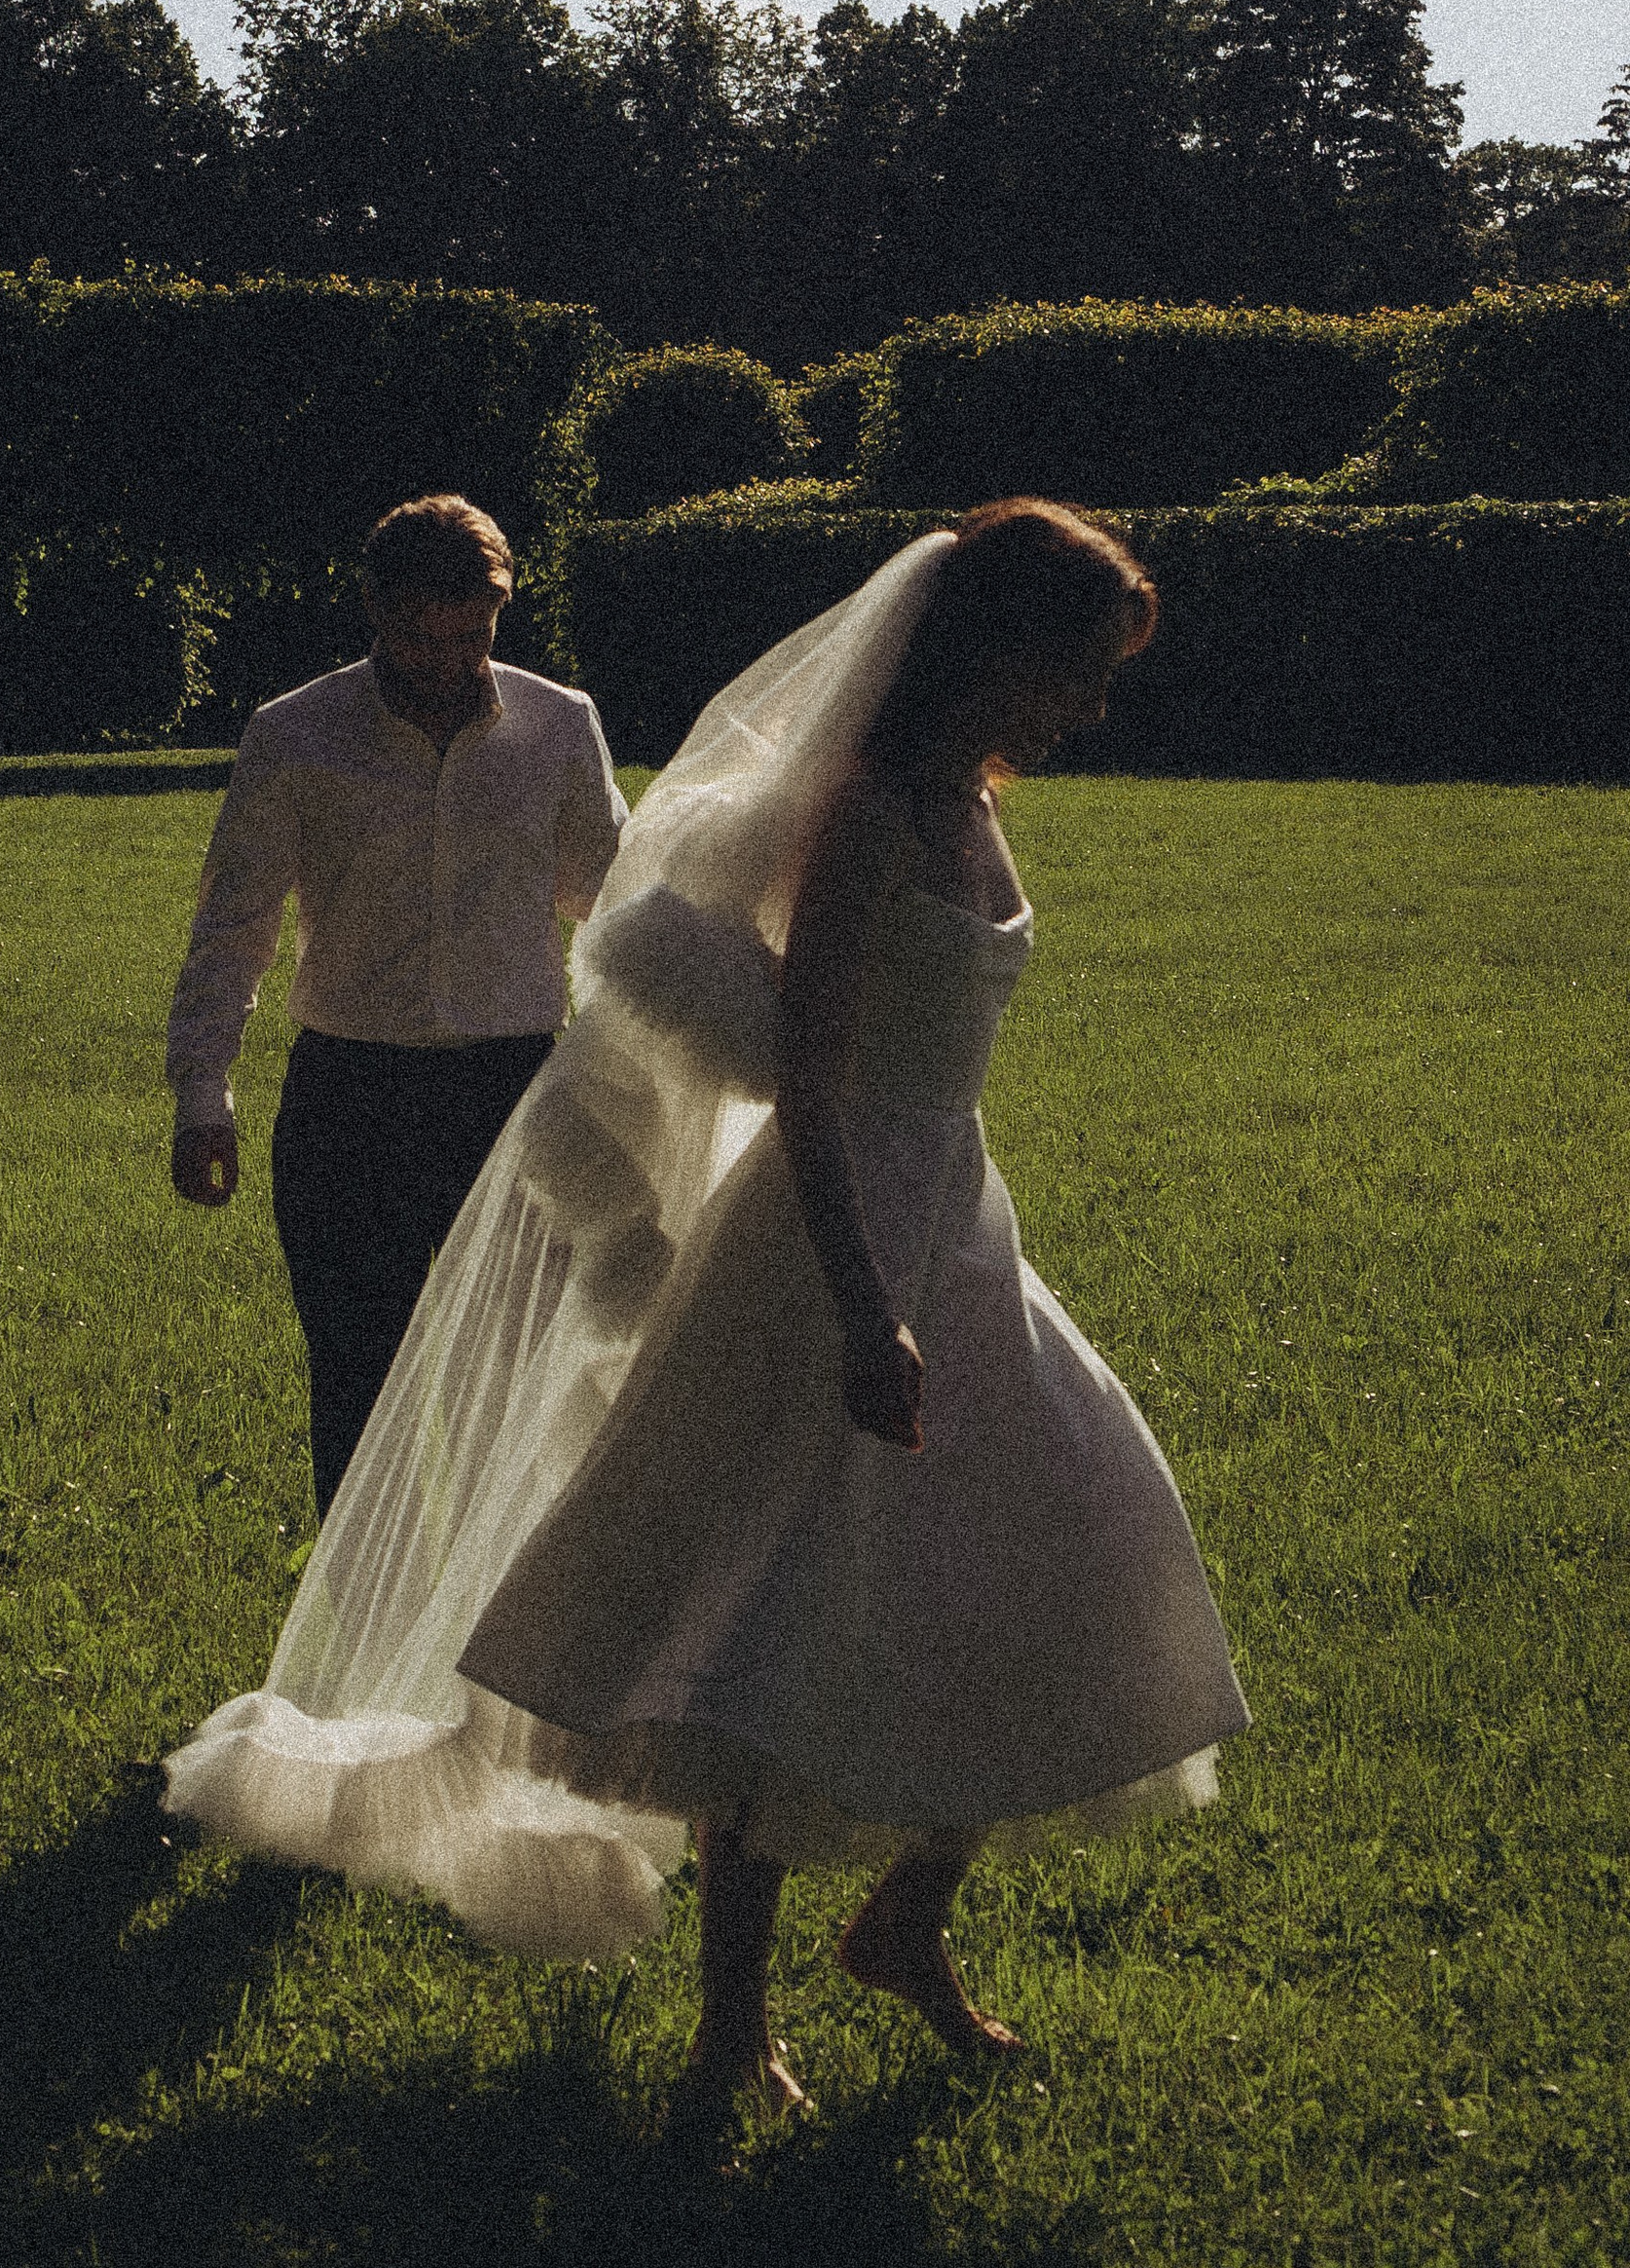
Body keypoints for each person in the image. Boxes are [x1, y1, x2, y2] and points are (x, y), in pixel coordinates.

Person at [164, 502, 1249, 2135]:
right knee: (770, 1615)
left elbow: (639, 897)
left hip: (957, 1216)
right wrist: (861, 1306)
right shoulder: (873, 819)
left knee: (1064, 1540)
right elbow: (807, 1074)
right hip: (837, 1242)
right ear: (990, 653)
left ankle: (904, 1919)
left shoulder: (964, 802)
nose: (1087, 709)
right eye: (1072, 674)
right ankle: (732, 2032)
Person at [167, 493, 628, 1512]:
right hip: (350, 1097)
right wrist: (204, 1092)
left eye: (475, 630)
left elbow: (608, 899)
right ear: (376, 613)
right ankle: (351, 1656)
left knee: (510, 1396)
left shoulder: (559, 724)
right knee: (358, 1394)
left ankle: (489, 1649)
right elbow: (234, 922)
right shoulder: (296, 735)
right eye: (424, 634)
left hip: (507, 1095)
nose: (451, 657)